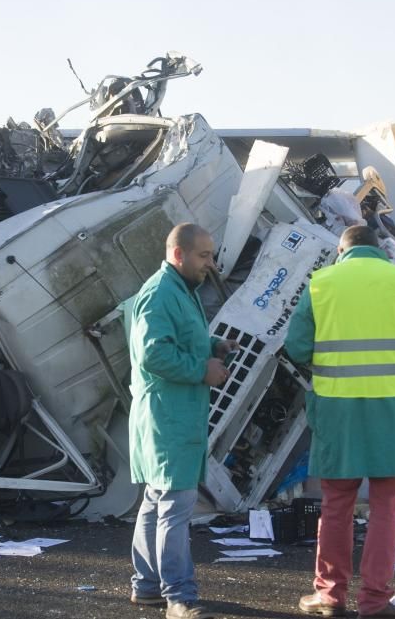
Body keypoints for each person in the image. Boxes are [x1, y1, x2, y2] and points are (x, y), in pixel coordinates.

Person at [285, 225, 395, 618]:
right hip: (393, 410)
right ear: (378, 250)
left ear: (342, 251)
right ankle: (375, 601)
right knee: (386, 508)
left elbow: (297, 346)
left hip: (338, 411)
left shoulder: (321, 283)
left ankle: (329, 596)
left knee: (337, 504)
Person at [127, 223, 238, 619]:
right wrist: (201, 369)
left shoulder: (177, 290)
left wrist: (214, 347)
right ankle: (180, 597)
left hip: (169, 414)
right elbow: (153, 356)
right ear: (179, 255)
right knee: (175, 505)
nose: (211, 264)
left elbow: (177, 341)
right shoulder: (161, 295)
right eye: (204, 255)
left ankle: (148, 587)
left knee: (156, 503)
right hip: (169, 416)